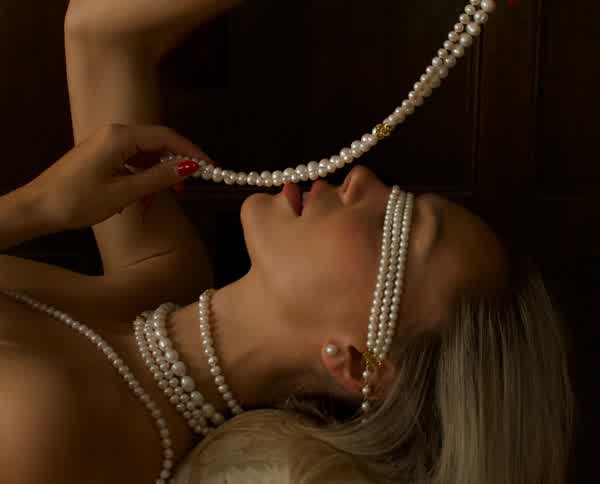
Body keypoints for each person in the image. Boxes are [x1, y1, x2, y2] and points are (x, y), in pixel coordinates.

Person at [0, 1, 573, 484]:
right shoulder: (165, 278)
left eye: (392, 228)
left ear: (356, 362)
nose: (363, 180)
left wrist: (35, 209)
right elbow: (101, 31)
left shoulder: (51, 428)